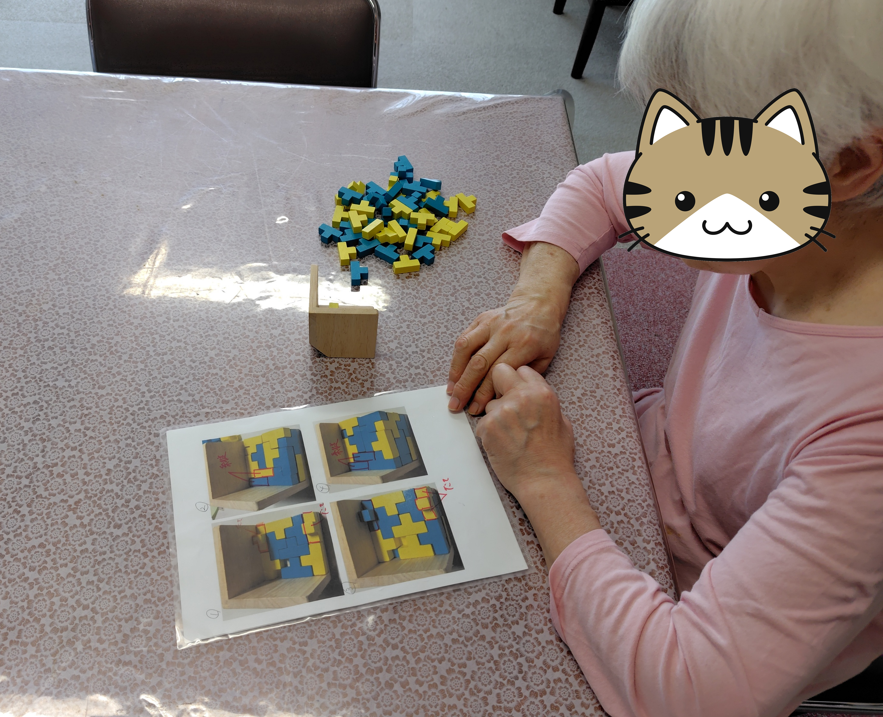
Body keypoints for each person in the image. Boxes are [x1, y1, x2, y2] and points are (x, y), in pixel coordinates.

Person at [446, 1, 883, 715]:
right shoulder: (779, 210)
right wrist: (538, 295)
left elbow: (690, 693)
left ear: (848, 163)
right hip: (645, 472)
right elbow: (602, 183)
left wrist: (547, 481)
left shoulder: (865, 434)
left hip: (688, 605)